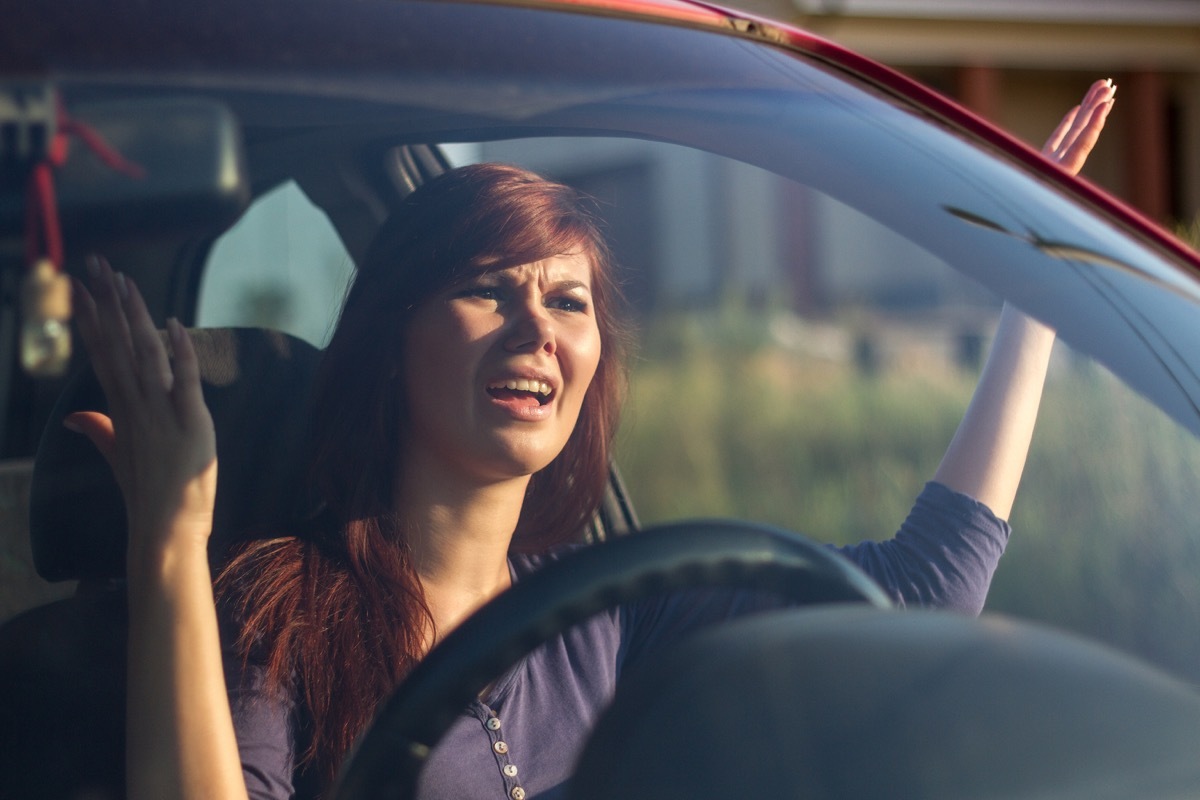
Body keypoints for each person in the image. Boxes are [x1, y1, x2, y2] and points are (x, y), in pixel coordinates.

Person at [66, 79, 1116, 800]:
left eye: (568, 302)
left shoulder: (614, 609)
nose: (538, 331)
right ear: (391, 342)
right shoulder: (279, 603)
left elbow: (926, 589)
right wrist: (170, 528)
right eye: (488, 290)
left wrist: (1031, 304)